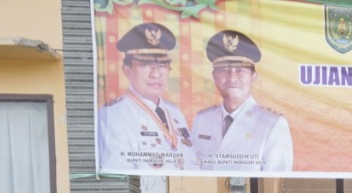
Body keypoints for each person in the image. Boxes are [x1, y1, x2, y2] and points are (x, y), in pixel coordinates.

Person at [97, 21, 196, 171]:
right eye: (145, 65)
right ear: (126, 69)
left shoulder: (176, 113)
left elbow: (192, 164)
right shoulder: (112, 115)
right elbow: (117, 172)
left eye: (162, 66)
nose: (156, 74)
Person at [191, 30, 293, 172]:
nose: (232, 77)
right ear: (214, 76)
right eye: (224, 69)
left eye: (240, 70)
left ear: (253, 77)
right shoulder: (202, 119)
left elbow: (276, 182)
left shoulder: (273, 124)